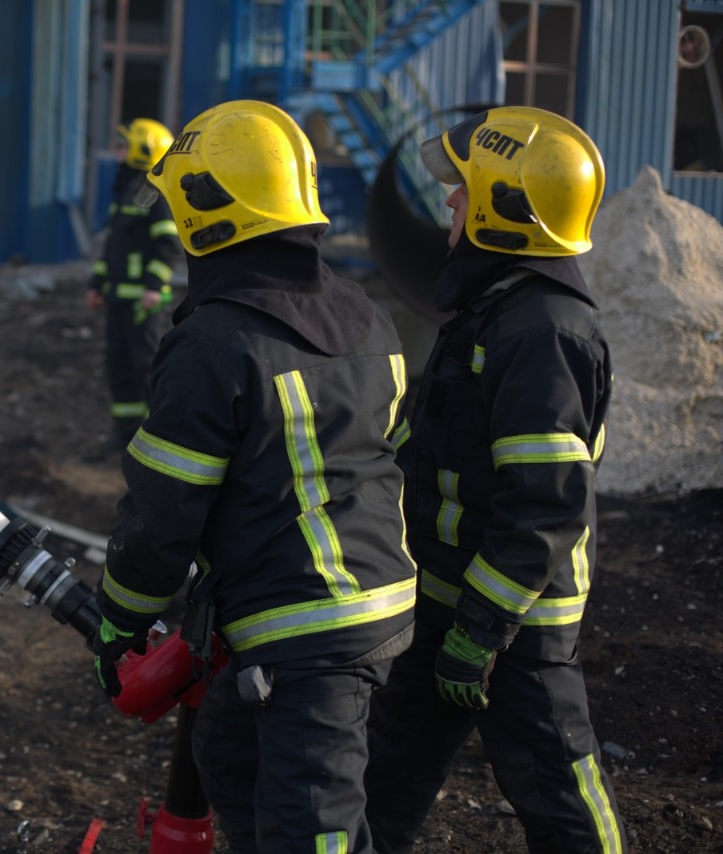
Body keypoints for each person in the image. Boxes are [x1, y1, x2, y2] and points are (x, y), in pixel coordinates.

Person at [87, 99, 417, 852]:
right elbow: (394, 453)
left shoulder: (214, 343)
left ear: (206, 215)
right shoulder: (369, 317)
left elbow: (161, 515)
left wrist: (119, 622)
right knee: (230, 757)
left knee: (313, 826)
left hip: (310, 628)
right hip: (371, 597)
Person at [364, 106, 628, 853]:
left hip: (515, 625)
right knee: (381, 782)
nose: (450, 199)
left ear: (503, 210)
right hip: (447, 603)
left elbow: (543, 506)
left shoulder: (543, 330)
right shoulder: (497, 306)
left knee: (557, 789)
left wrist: (481, 632)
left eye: (466, 188)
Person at [86, 118, 181, 455]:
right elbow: (113, 247)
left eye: (123, 146)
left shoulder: (154, 194)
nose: (117, 152)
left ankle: (155, 442)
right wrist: (97, 283)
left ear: (143, 151)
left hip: (143, 303)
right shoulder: (128, 192)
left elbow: (167, 245)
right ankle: (124, 435)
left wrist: (153, 286)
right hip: (117, 299)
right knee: (119, 367)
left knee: (146, 369)